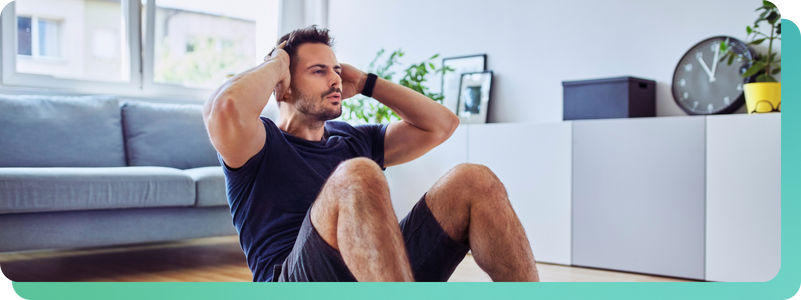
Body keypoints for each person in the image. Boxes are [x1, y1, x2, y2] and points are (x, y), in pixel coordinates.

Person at [202, 25, 539, 282]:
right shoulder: (259, 142)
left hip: (378, 273)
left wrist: (366, 82)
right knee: (357, 174)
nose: (335, 80)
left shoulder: (351, 139)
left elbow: (442, 125)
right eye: (319, 71)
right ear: (284, 86)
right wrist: (278, 62)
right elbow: (225, 107)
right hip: (295, 281)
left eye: (336, 70)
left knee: (473, 179)